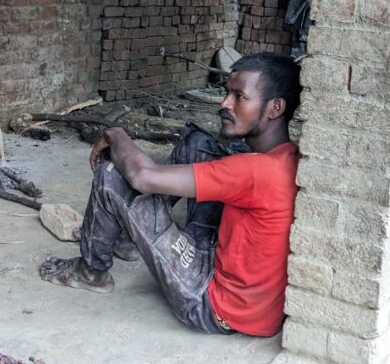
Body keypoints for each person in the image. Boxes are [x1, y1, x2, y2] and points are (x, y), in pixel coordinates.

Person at [39, 52, 301, 337]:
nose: (224, 103)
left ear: (275, 108)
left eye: (239, 97)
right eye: (227, 93)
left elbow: (143, 177)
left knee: (113, 173)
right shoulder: (290, 157)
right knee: (198, 142)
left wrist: (116, 135)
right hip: (252, 301)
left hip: (213, 305)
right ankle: (128, 238)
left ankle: (90, 272)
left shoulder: (253, 171)